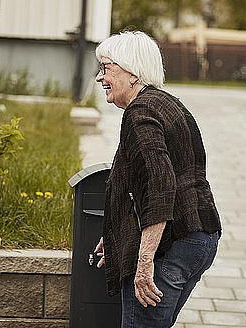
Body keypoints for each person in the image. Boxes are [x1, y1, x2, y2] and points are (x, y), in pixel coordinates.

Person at [93, 31, 222, 328]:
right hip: (200, 239)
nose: (100, 78)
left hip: (173, 245)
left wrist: (143, 262)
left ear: (132, 71)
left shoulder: (140, 113)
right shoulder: (165, 103)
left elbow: (159, 189)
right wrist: (117, 235)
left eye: (106, 68)